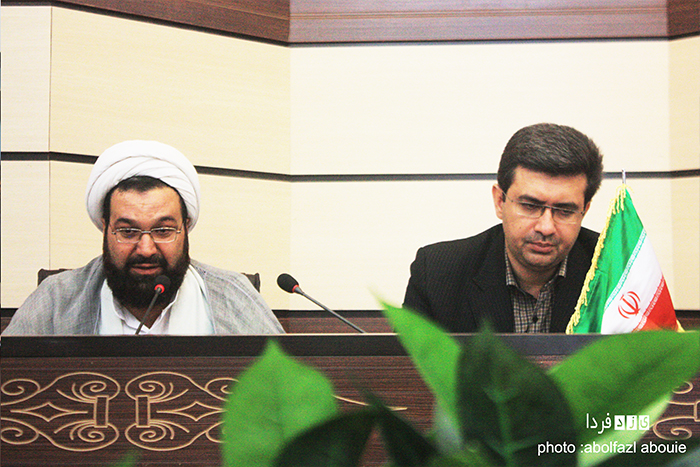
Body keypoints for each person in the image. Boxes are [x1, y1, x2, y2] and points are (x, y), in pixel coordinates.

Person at [3, 141, 284, 335]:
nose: (146, 249)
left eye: (163, 230)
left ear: (185, 227)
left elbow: (287, 393)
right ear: (105, 227)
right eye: (128, 232)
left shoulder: (235, 295)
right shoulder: (55, 300)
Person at [403, 123, 603, 333]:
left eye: (564, 211)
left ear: (584, 210)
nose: (546, 227)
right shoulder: (436, 274)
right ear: (500, 201)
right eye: (530, 206)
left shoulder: (616, 273)